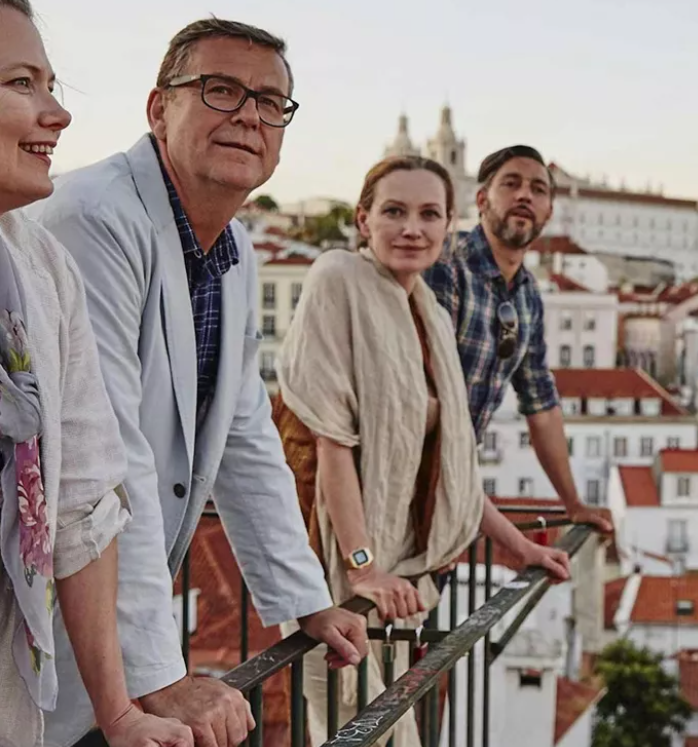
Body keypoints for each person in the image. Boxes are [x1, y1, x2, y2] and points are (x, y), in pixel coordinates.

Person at [28, 18, 367, 747]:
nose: (249, 113)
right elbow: (110, 459)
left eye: (271, 102)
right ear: (159, 108)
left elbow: (245, 436)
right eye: (220, 90)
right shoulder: (94, 217)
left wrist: (305, 600)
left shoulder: (234, 246)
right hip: (44, 608)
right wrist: (159, 674)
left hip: (93, 624)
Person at [274, 155, 571, 747]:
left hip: (395, 578)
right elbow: (333, 443)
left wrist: (519, 549)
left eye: (428, 214)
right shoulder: (338, 279)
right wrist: (366, 569)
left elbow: (451, 466)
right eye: (395, 211)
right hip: (331, 574)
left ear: (448, 224)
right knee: (365, 731)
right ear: (364, 220)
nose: (412, 227)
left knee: (385, 732)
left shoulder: (427, 313)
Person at [0, 2, 194, 746]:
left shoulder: (42, 265)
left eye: (52, 83)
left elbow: (84, 494)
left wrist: (120, 714)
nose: (58, 113)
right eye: (22, 82)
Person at [423, 145, 613, 533]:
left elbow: (541, 404)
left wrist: (572, 503)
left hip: (447, 492)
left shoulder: (527, 295)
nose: (525, 195)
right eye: (511, 184)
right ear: (481, 200)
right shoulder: (444, 266)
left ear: (549, 213)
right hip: (398, 477)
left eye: (538, 190)